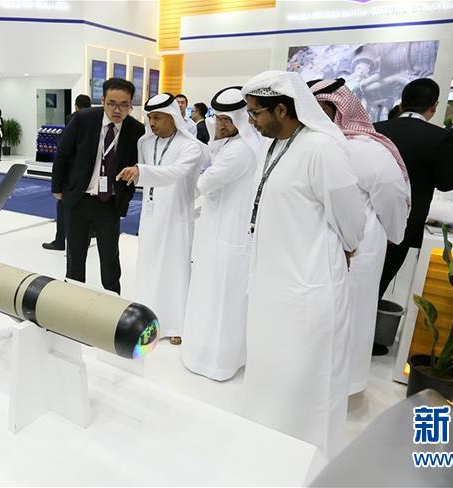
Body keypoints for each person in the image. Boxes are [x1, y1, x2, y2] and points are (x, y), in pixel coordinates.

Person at [240, 71, 366, 457]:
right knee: (273, 367)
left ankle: (308, 456)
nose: (251, 120)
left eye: (256, 112)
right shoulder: (277, 144)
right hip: (273, 280)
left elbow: (351, 217)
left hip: (308, 283)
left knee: (307, 374)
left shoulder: (320, 148)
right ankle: (269, 442)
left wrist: (347, 246)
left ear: (282, 109)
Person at [310, 78, 410, 395]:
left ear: (339, 109)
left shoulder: (365, 149)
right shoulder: (311, 145)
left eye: (321, 109)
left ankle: (343, 385)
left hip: (360, 247)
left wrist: (393, 233)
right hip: (314, 245)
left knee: (351, 314)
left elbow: (392, 198)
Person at [180, 86, 259, 379]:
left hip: (227, 235)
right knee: (213, 293)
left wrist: (205, 173)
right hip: (220, 230)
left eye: (229, 120)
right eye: (220, 119)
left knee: (220, 296)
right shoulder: (233, 145)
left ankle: (214, 361)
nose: (222, 125)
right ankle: (207, 354)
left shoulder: (239, 150)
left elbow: (205, 183)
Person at [116, 93, 208, 346]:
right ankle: (147, 318)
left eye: (157, 118)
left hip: (177, 215)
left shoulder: (190, 146)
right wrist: (140, 172)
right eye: (150, 118)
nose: (152, 123)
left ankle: (176, 324)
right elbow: (147, 176)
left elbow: (175, 173)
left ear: (172, 117)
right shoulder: (145, 142)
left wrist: (141, 171)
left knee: (174, 267)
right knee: (149, 263)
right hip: (151, 213)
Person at [374, 78, 453, 316]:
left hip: (369, 217)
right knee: (381, 281)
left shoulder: (376, 129)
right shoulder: (438, 137)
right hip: (405, 223)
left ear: (402, 103)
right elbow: (446, 183)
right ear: (434, 106)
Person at [51, 79, 145, 294]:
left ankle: (112, 299)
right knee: (75, 255)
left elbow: (138, 165)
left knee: (110, 257)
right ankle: (73, 298)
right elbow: (63, 153)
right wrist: (58, 187)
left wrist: (125, 196)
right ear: (102, 101)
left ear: (131, 105)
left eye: (124, 105)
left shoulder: (136, 129)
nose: (117, 110)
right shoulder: (83, 119)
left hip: (110, 203)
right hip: (79, 199)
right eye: (112, 103)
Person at [44, 94, 92, 252]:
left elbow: (62, 153)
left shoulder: (72, 120)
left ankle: (60, 241)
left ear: (76, 106)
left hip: (71, 174)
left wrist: (57, 185)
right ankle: (89, 234)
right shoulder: (97, 122)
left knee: (63, 207)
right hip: (89, 174)